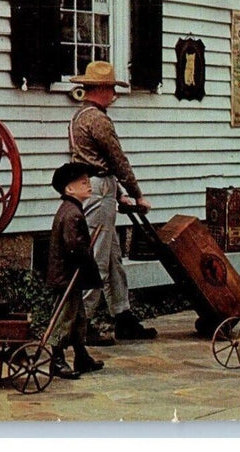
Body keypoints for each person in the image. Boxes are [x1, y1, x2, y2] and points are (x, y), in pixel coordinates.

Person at [67, 61, 158, 344]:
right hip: (98, 190)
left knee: (113, 258)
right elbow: (117, 161)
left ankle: (123, 316)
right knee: (97, 259)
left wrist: (119, 195)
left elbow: (95, 162)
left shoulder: (80, 116)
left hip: (99, 187)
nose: (114, 95)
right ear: (102, 89)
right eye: (111, 89)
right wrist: (137, 193)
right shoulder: (98, 119)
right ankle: (82, 324)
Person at [46, 162, 106, 379]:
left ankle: (81, 356)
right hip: (67, 276)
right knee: (65, 317)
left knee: (78, 316)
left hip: (71, 274)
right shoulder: (72, 214)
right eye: (83, 182)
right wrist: (85, 256)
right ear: (69, 189)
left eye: (88, 181)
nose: (89, 185)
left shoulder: (72, 210)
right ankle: (57, 360)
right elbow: (73, 246)